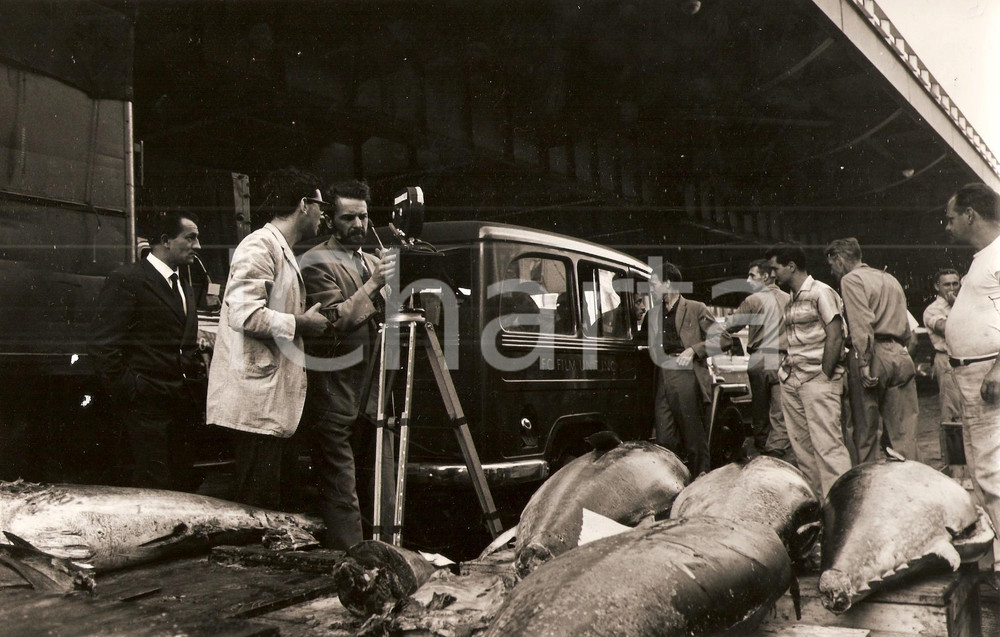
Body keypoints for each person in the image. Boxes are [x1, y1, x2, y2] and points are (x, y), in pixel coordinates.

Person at [206, 168, 330, 509]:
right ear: (304, 205)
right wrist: (301, 323)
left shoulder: (278, 248)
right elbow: (244, 314)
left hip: (270, 403)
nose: (323, 214)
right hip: (256, 403)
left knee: (276, 505)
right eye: (321, 205)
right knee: (259, 508)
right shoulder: (259, 246)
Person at [300, 180, 398, 550]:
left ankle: (390, 555)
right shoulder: (316, 262)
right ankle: (352, 565)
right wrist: (374, 285)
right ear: (329, 219)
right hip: (336, 394)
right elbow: (333, 323)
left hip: (374, 392)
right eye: (348, 218)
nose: (357, 225)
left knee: (385, 485)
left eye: (363, 217)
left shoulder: (374, 261)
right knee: (342, 491)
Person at [89, 210, 204, 490]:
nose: (197, 246)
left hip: (180, 407)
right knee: (153, 488)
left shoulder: (184, 286)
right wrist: (133, 390)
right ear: (165, 241)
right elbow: (104, 346)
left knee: (182, 485)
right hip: (145, 410)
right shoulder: (128, 279)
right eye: (190, 238)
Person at [942, 182, 1000, 587]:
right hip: (973, 375)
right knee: (986, 470)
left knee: (993, 471)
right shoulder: (985, 259)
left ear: (970, 215)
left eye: (950, 217)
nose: (946, 226)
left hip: (988, 376)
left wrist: (999, 369)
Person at [824, 238, 920, 465]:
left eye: (831, 265)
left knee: (864, 430)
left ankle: (865, 485)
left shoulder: (851, 279)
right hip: (900, 353)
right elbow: (907, 328)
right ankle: (914, 486)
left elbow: (861, 323)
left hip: (873, 354)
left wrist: (864, 362)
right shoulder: (890, 279)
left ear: (839, 259)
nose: (832, 271)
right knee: (905, 431)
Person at [766, 243, 851, 498]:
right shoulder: (792, 299)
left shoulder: (820, 292)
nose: (772, 275)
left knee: (828, 447)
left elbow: (835, 336)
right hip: (794, 381)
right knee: (803, 449)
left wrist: (824, 376)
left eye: (775, 269)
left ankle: (840, 505)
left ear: (791, 266)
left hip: (817, 382)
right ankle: (820, 508)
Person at [647, 262, 726, 476]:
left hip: (687, 373)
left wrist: (694, 349)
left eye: (654, 284)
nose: (651, 288)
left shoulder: (696, 308)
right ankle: (675, 479)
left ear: (668, 283)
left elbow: (724, 339)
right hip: (663, 375)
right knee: (664, 437)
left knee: (693, 434)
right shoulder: (653, 314)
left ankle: (701, 476)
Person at [721, 258, 792, 461]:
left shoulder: (753, 300)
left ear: (767, 276)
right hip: (782, 358)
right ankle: (776, 450)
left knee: (759, 409)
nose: (748, 280)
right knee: (780, 409)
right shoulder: (789, 299)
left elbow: (731, 326)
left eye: (752, 275)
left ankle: (762, 448)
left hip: (760, 357)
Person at [923, 268, 962, 424]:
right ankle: (954, 448)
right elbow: (946, 329)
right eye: (947, 285)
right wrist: (958, 307)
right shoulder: (933, 310)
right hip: (947, 360)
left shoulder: (963, 304)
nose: (951, 288)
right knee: (952, 411)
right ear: (937, 286)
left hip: (967, 359)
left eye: (955, 284)